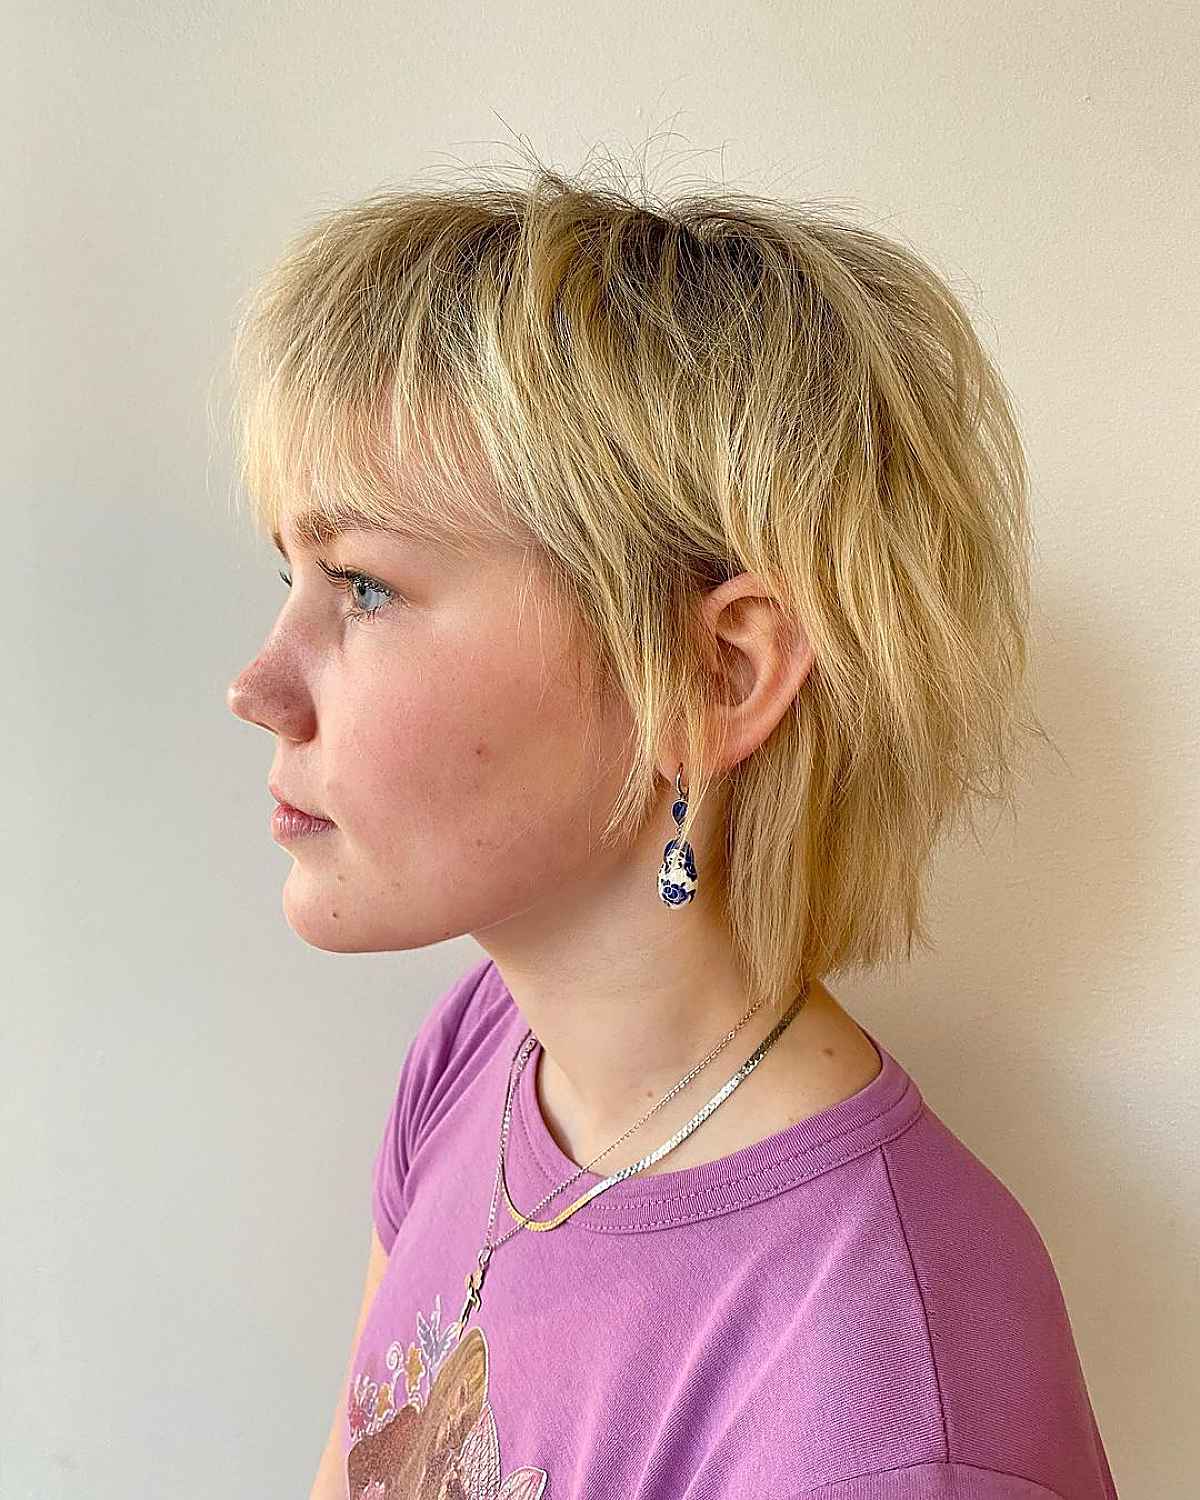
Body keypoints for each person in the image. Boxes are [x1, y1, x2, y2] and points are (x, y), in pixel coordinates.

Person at [225, 155, 1119, 1499]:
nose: (257, 686)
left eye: (362, 586)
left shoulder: (875, 1411)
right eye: (289, 572)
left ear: (715, 675)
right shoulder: (485, 1053)